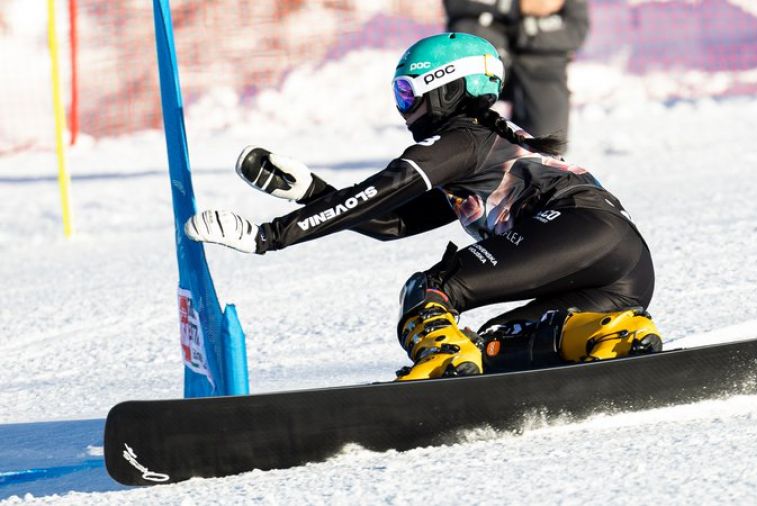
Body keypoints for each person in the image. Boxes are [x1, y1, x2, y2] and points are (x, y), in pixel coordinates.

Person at [185, 33, 660, 381]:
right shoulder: (486, 146)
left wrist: (269, 236)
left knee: (429, 290)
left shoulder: (459, 139)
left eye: (407, 92)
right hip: (626, 265)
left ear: (446, 88)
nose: (403, 107)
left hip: (577, 227)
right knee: (497, 343)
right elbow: (392, 223)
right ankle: (613, 334)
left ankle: (443, 366)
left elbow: (383, 189)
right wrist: (313, 190)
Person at [443, 0, 590, 151]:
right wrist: (515, 5)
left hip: (541, 61)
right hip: (483, 48)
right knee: (453, 123)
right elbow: (456, 4)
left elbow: (576, 30)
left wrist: (527, 28)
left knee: (548, 146)